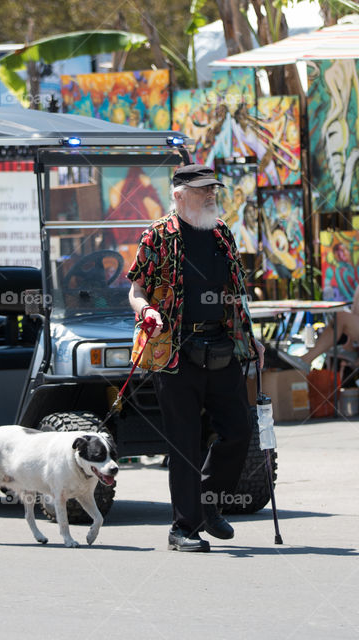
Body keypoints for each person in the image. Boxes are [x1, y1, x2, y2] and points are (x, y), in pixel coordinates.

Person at [127, 164, 265, 553]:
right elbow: (137, 289)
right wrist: (145, 311)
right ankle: (183, 527)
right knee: (185, 443)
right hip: (174, 353)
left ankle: (207, 504)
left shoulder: (221, 233)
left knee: (239, 430)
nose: (210, 196)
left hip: (221, 345)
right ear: (179, 194)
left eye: (213, 189)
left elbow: (236, 294)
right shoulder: (157, 236)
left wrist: (252, 339)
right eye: (202, 190)